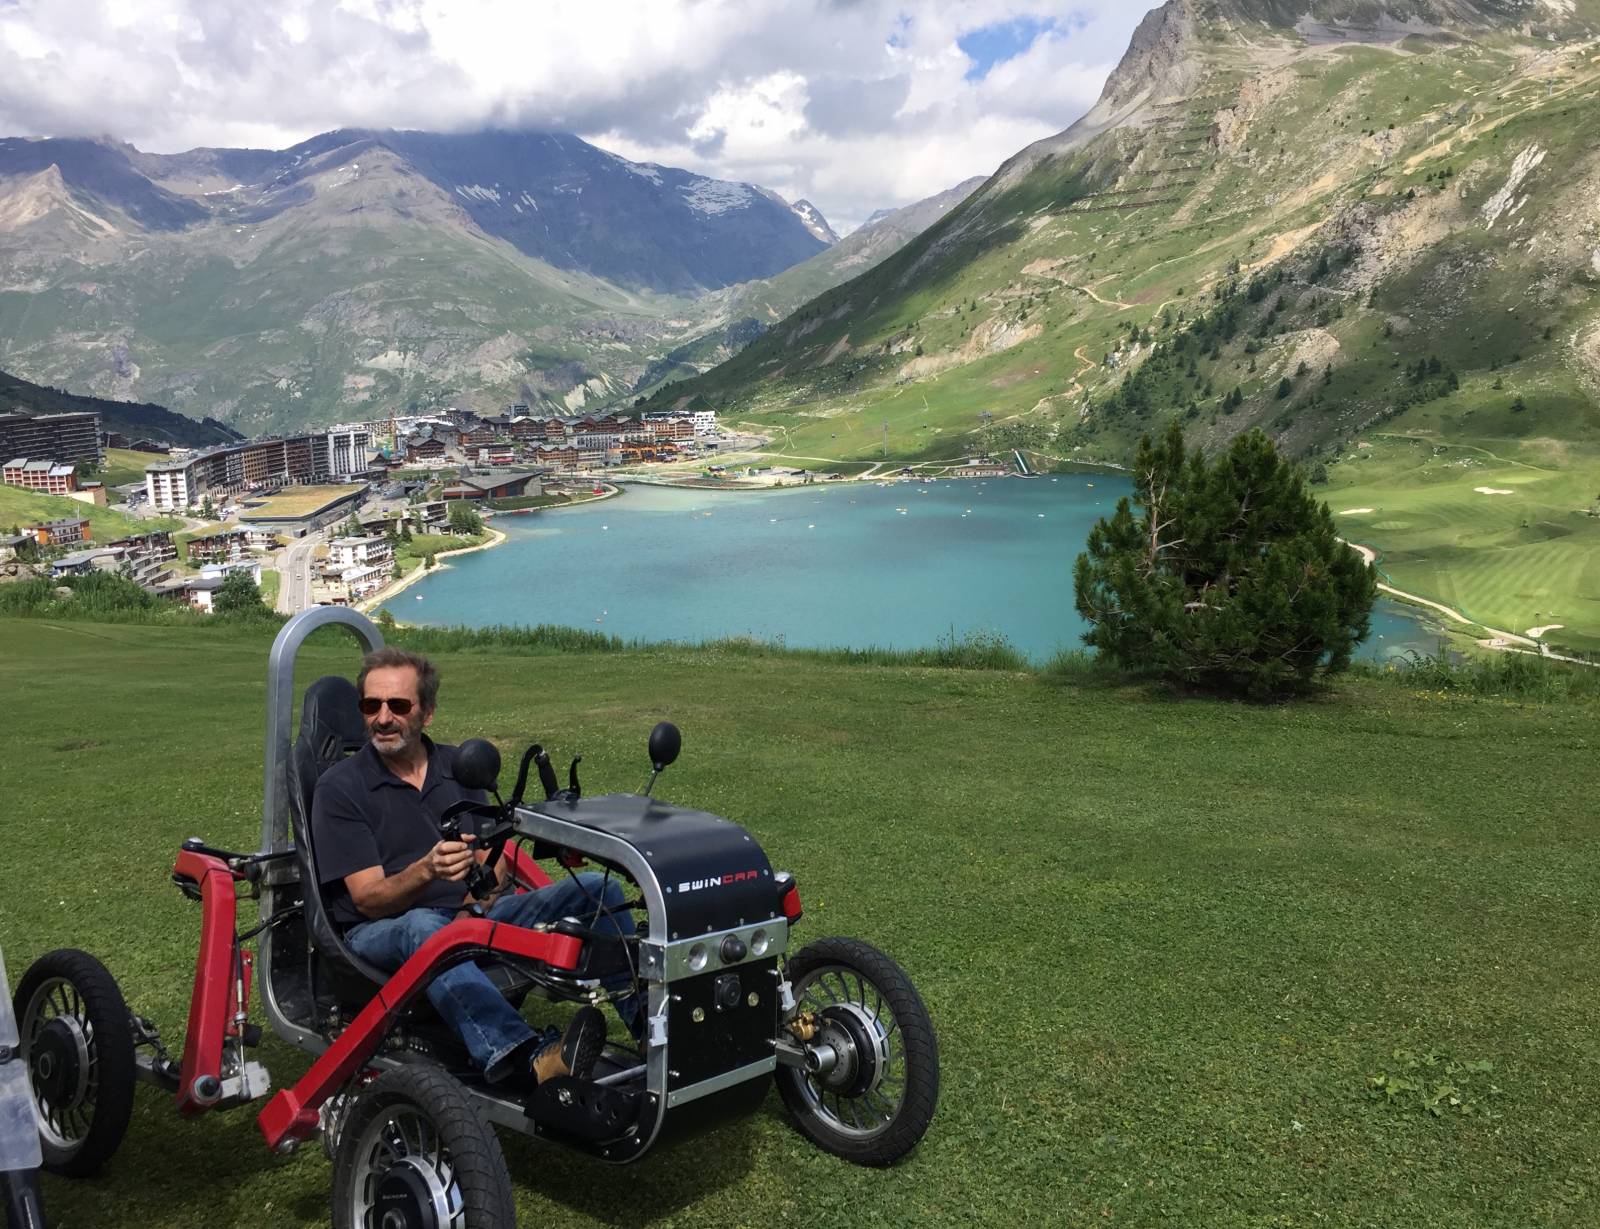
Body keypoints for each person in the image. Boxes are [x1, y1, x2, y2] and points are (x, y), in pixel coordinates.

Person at [311, 646, 636, 1086]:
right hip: (383, 930)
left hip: (466, 916)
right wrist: (427, 870)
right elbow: (367, 900)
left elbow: (493, 863)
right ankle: (524, 1055)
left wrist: (478, 896)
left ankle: (652, 1026)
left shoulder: (458, 767)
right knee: (426, 926)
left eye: (398, 705)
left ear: (426, 713)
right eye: (371, 706)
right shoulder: (341, 788)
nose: (382, 718)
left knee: (597, 890)